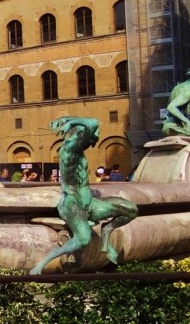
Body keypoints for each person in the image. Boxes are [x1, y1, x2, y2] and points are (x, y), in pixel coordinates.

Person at [31, 117, 139, 275]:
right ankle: (42, 263)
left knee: (131, 209)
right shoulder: (69, 148)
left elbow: (93, 126)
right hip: (73, 204)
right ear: (82, 134)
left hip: (90, 204)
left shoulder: (79, 151)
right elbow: (93, 123)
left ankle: (106, 231)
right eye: (95, 135)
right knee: (83, 239)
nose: (96, 138)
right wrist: (70, 121)